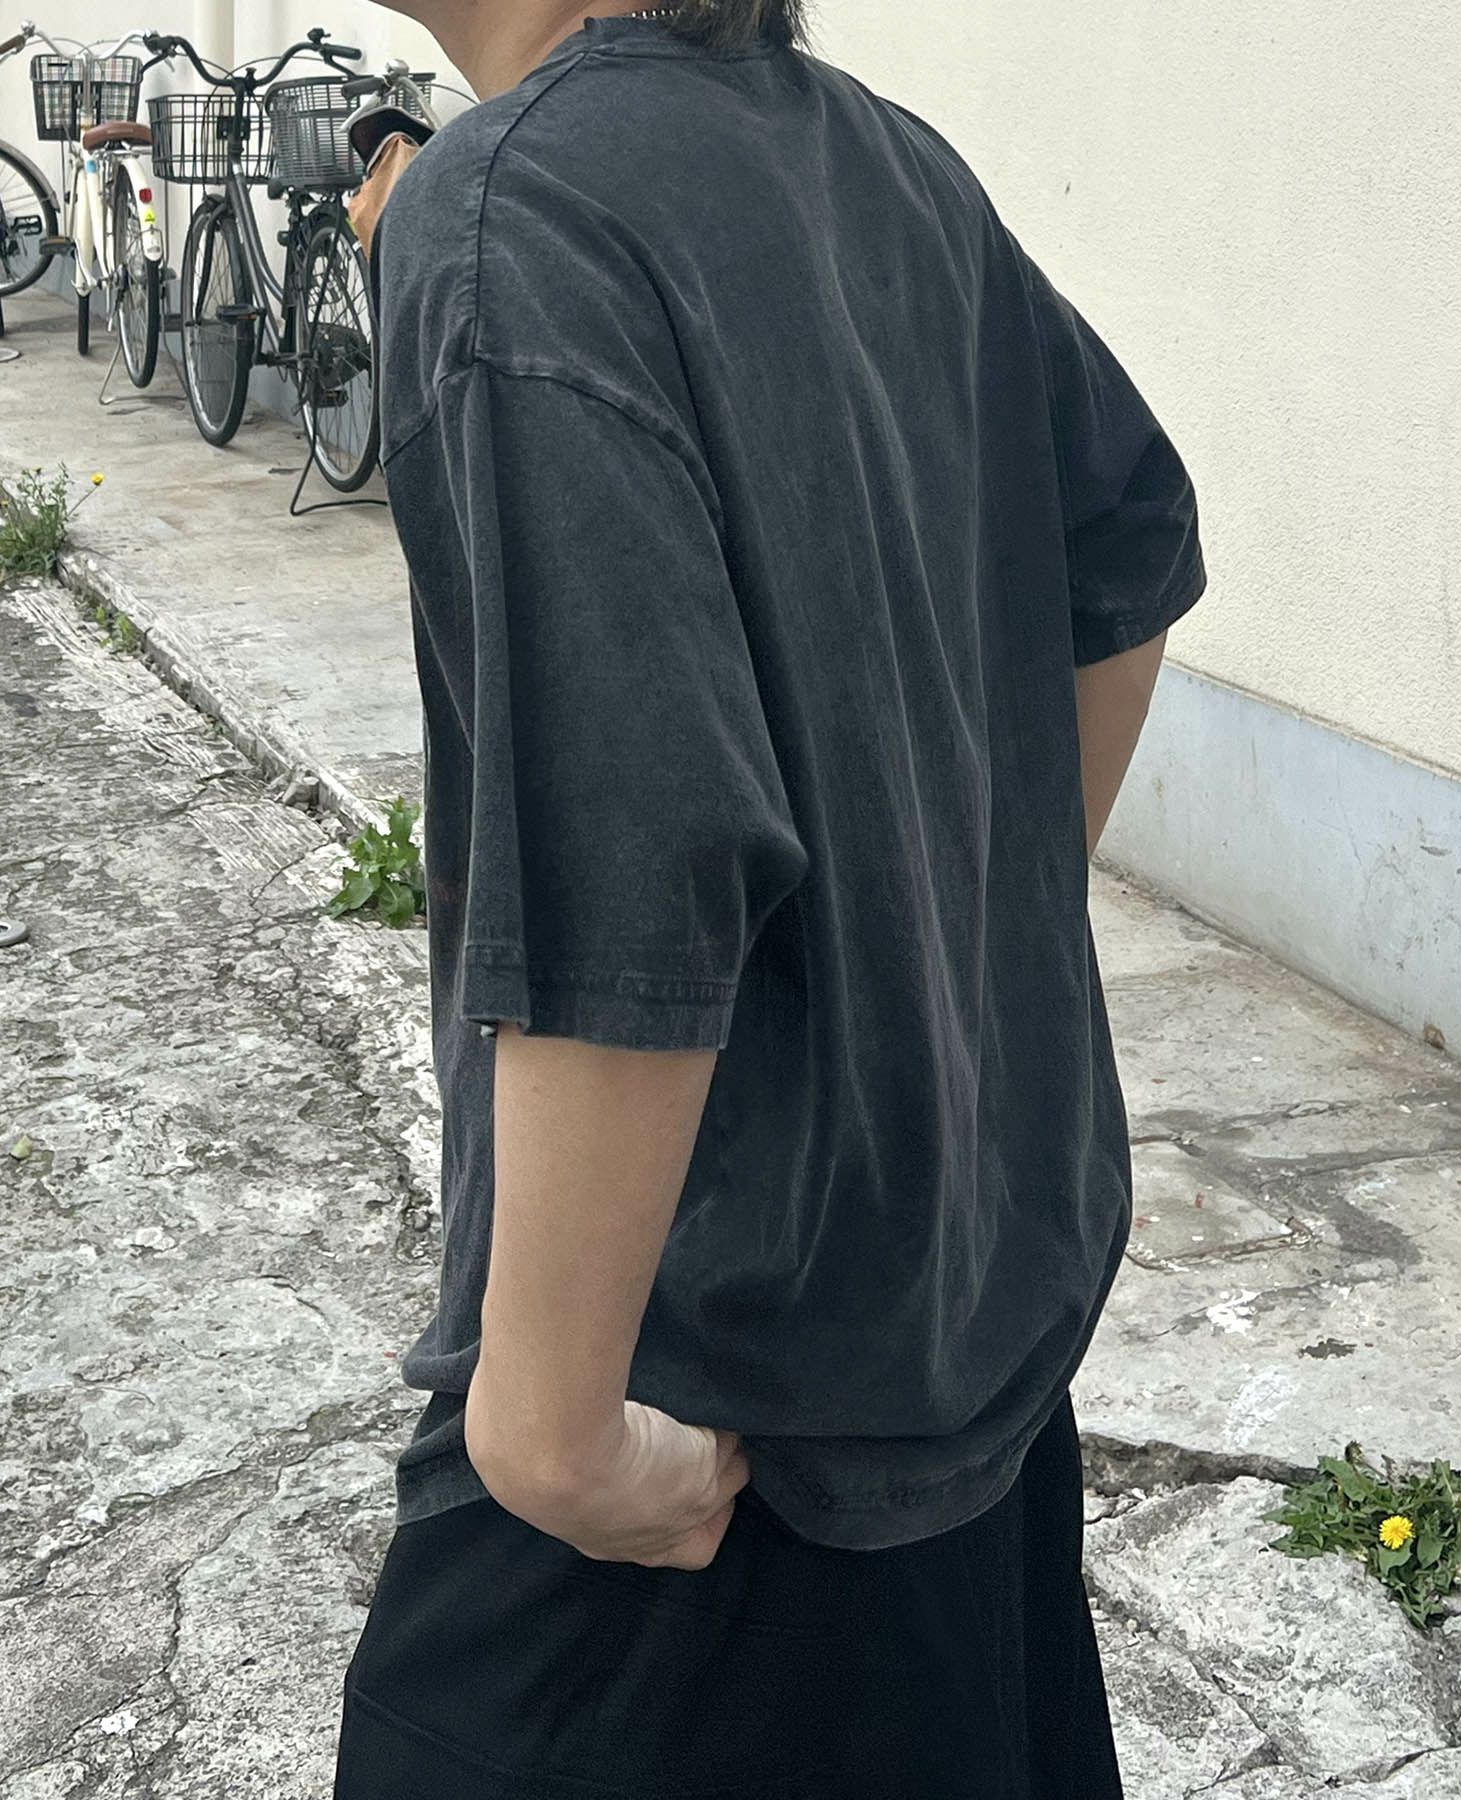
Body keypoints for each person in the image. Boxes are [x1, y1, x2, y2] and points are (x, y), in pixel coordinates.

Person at [333, 0, 1207, 1792]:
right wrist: (945, 941)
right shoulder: (890, 167)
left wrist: (551, 1432)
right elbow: (1126, 549)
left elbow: (639, 833)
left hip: (698, 1441)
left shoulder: (511, 208)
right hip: (956, 1385)